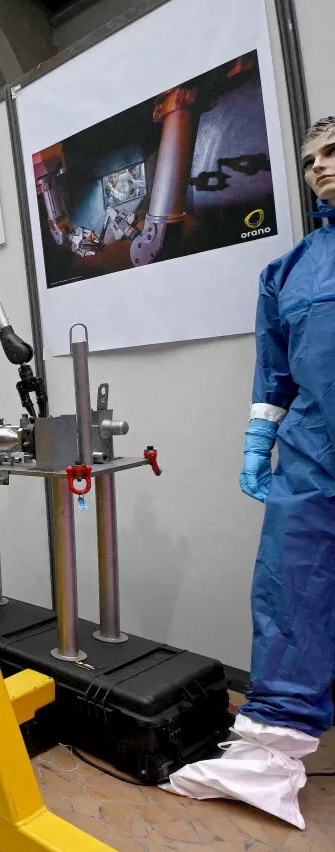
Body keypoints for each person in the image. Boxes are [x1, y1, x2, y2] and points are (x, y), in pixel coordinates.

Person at [162, 116, 335, 829]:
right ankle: (268, 760)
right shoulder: (291, 270)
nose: (320, 166)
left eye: (334, 153)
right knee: (293, 591)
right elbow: (275, 373)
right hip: (314, 455)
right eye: (311, 159)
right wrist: (258, 444)